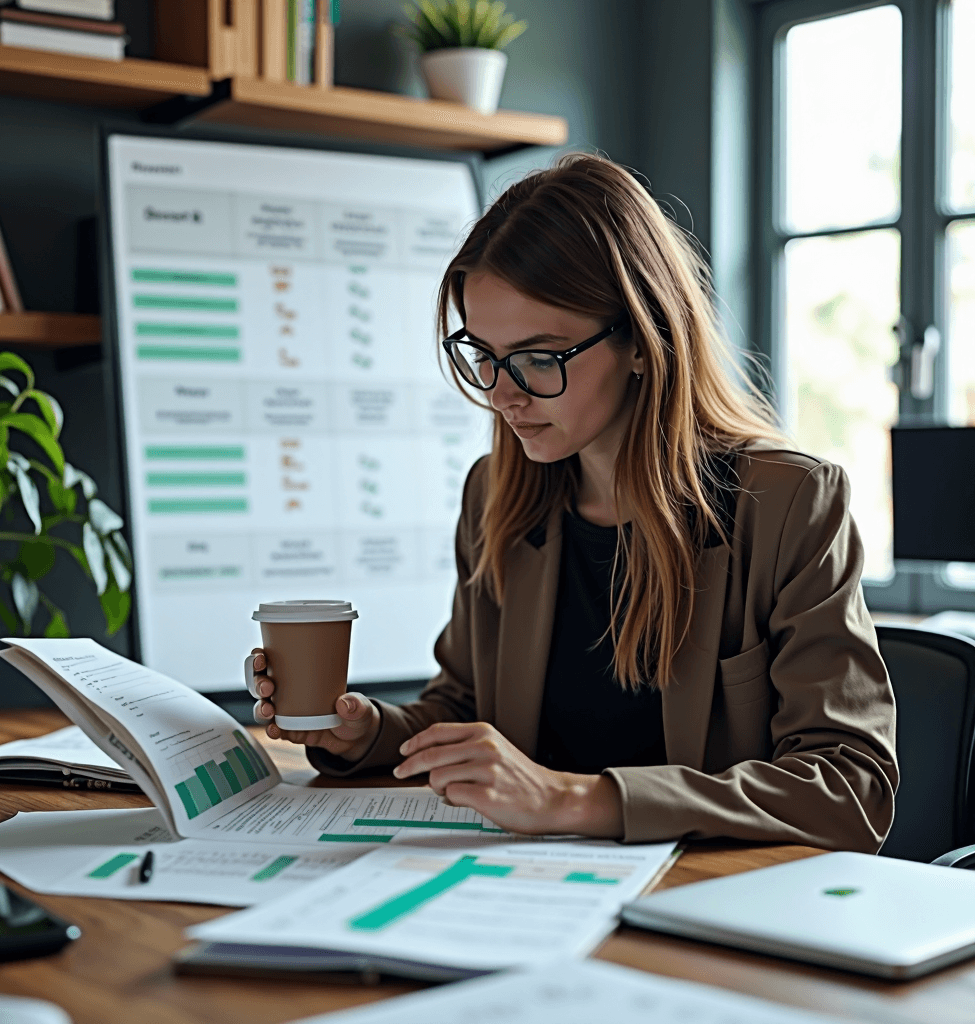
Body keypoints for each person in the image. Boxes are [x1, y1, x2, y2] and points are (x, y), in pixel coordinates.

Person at [251, 154, 898, 851]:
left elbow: (850, 786)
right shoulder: (496, 496)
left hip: (708, 892)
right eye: (483, 355)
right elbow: (466, 706)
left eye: (539, 357)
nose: (503, 394)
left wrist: (574, 799)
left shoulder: (787, 505)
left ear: (643, 339)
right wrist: (366, 733)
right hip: (534, 883)